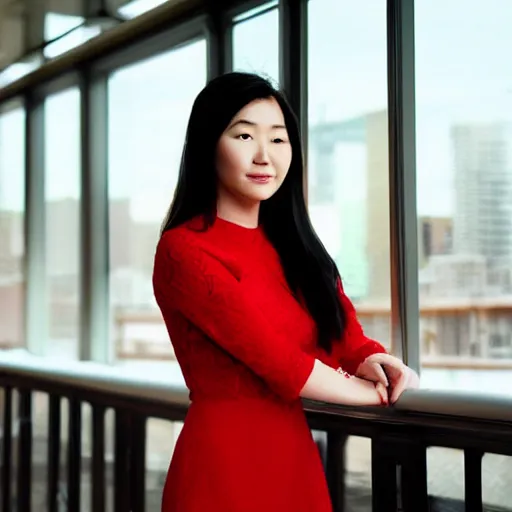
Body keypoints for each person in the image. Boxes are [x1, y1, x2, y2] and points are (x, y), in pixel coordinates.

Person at [152, 72, 419, 512]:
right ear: (207, 144)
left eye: (278, 140)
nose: (264, 157)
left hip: (293, 459)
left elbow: (343, 336)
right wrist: (370, 395)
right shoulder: (185, 249)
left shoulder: (295, 246)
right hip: (222, 466)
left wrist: (371, 360)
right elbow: (275, 360)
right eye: (243, 135)